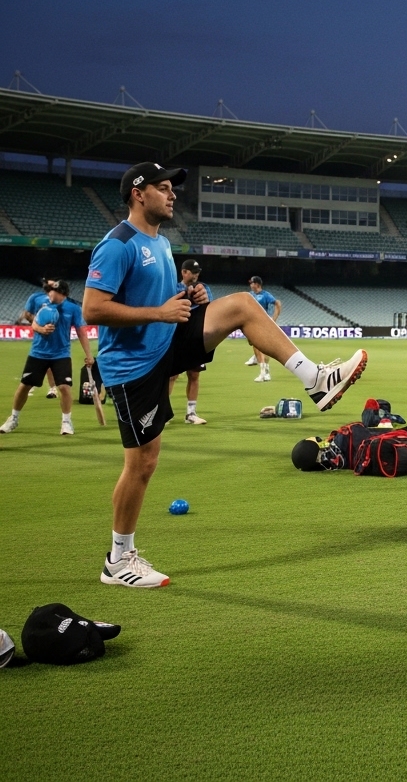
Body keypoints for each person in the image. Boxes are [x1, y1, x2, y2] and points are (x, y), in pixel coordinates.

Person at [84, 162, 368, 588]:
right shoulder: (117, 244)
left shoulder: (160, 242)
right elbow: (93, 308)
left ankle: (315, 379)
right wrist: (159, 311)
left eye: (172, 188)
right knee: (142, 463)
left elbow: (158, 299)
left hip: (165, 342)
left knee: (241, 306)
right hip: (133, 367)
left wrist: (187, 297)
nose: (173, 194)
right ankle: (117, 561)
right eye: (163, 188)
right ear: (138, 194)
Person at [1, 280, 93, 436]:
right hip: (38, 353)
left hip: (61, 354)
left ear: (62, 294)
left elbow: (81, 332)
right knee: (24, 386)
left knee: (64, 387)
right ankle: (13, 418)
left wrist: (89, 355)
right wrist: (41, 329)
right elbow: (33, 324)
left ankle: (66, 422)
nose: (49, 293)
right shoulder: (43, 304)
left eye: (53, 291)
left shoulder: (73, 309)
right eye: (49, 290)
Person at [168, 259, 212, 424]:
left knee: (194, 375)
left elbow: (209, 308)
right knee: (171, 375)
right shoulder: (173, 288)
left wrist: (204, 299)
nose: (195, 275)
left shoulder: (204, 288)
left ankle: (191, 414)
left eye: (197, 272)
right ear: (183, 272)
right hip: (176, 335)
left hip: (195, 337)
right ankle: (164, 412)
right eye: (192, 272)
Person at [19, 278, 61, 398]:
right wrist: (39, 324)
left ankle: (52, 388)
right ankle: (31, 384)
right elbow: (27, 314)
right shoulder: (35, 297)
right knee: (38, 360)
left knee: (50, 362)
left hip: (56, 335)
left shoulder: (60, 299)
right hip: (40, 336)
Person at [247, 276, 282, 381]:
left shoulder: (265, 295)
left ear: (257, 284)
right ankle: (257, 360)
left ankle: (265, 372)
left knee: (263, 347)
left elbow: (278, 303)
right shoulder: (250, 295)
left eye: (252, 283)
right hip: (252, 323)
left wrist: (274, 319)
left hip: (262, 323)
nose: (250, 285)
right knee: (253, 343)